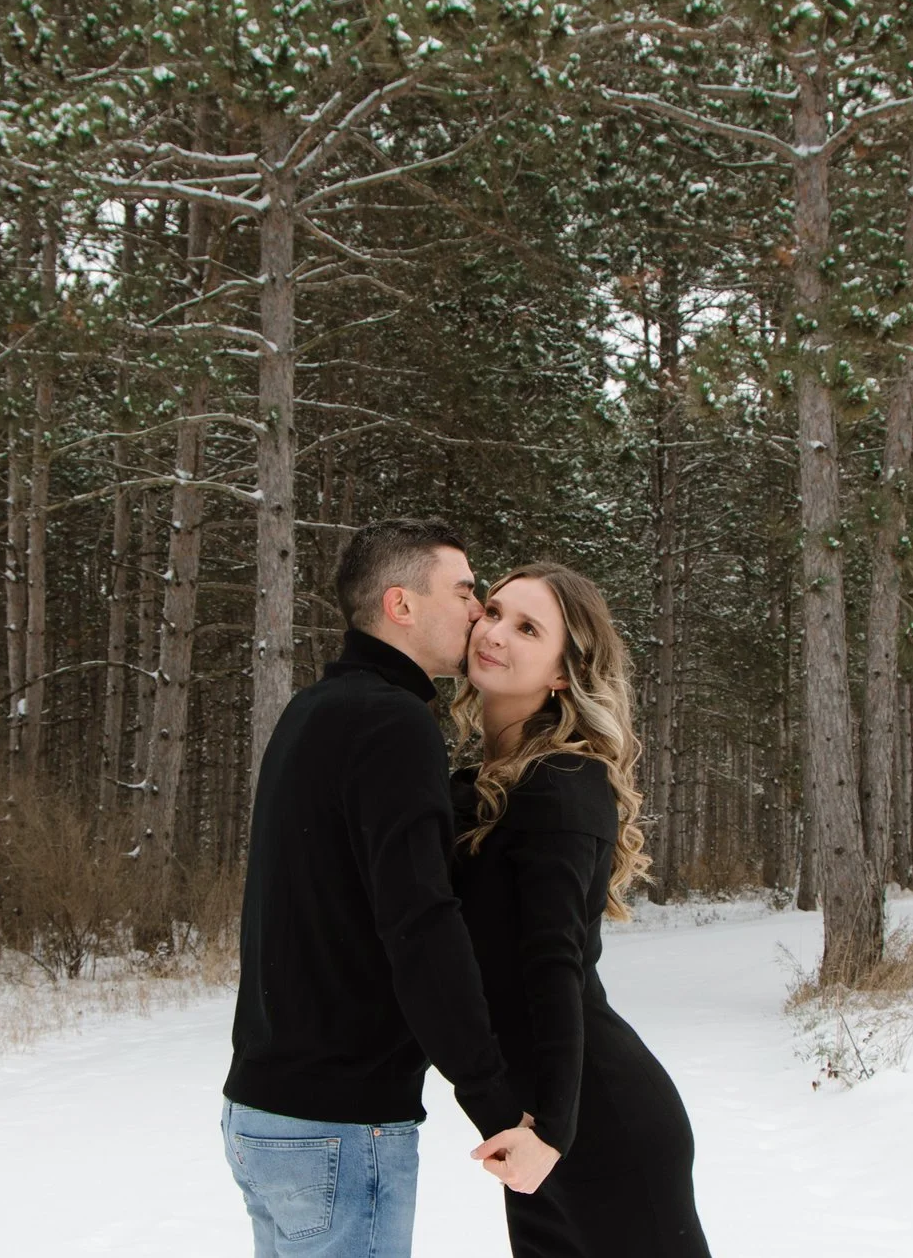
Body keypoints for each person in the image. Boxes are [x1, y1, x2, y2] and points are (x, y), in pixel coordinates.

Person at [223, 517, 560, 1258]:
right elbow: (420, 928)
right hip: (338, 1127)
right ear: (401, 605)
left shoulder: (313, 712)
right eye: (467, 591)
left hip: (263, 1115)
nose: (479, 611)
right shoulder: (393, 723)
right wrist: (495, 1104)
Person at [450, 561, 713, 1258]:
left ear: (563, 673)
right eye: (495, 611)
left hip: (598, 1122)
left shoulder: (565, 782)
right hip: (536, 1123)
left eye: (528, 627)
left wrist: (553, 1133)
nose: (496, 631)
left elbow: (553, 963)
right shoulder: (478, 787)